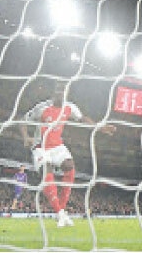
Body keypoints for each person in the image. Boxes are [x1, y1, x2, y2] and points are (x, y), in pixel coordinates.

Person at [21, 82, 116, 227]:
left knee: (69, 166)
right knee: (47, 172)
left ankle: (62, 211)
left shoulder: (69, 107)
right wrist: (26, 137)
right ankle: (60, 213)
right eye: (58, 90)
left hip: (57, 146)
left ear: (67, 93)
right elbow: (23, 120)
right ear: (54, 92)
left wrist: (99, 127)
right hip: (41, 146)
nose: (60, 93)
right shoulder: (42, 108)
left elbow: (82, 119)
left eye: (63, 90)